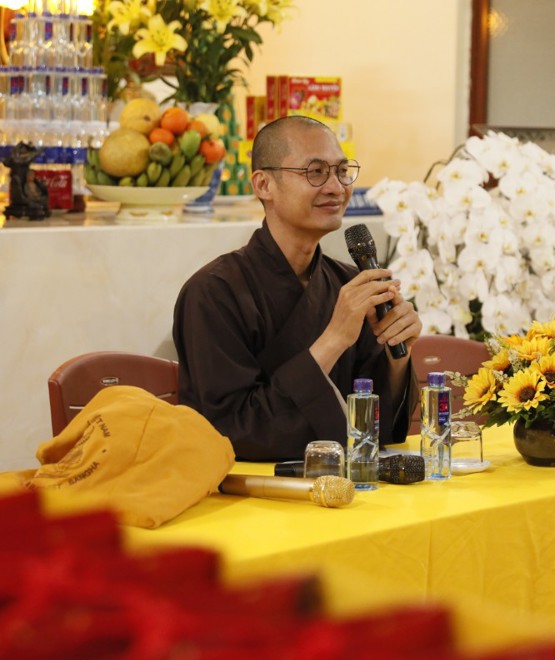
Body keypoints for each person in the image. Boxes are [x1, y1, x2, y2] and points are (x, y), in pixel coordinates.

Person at [173, 116, 422, 461]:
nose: (336, 187)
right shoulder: (213, 292)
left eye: (342, 171)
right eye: (315, 172)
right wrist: (334, 339)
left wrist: (398, 350)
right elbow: (231, 430)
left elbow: (377, 430)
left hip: (347, 481)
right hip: (250, 486)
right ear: (264, 185)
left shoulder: (348, 283)